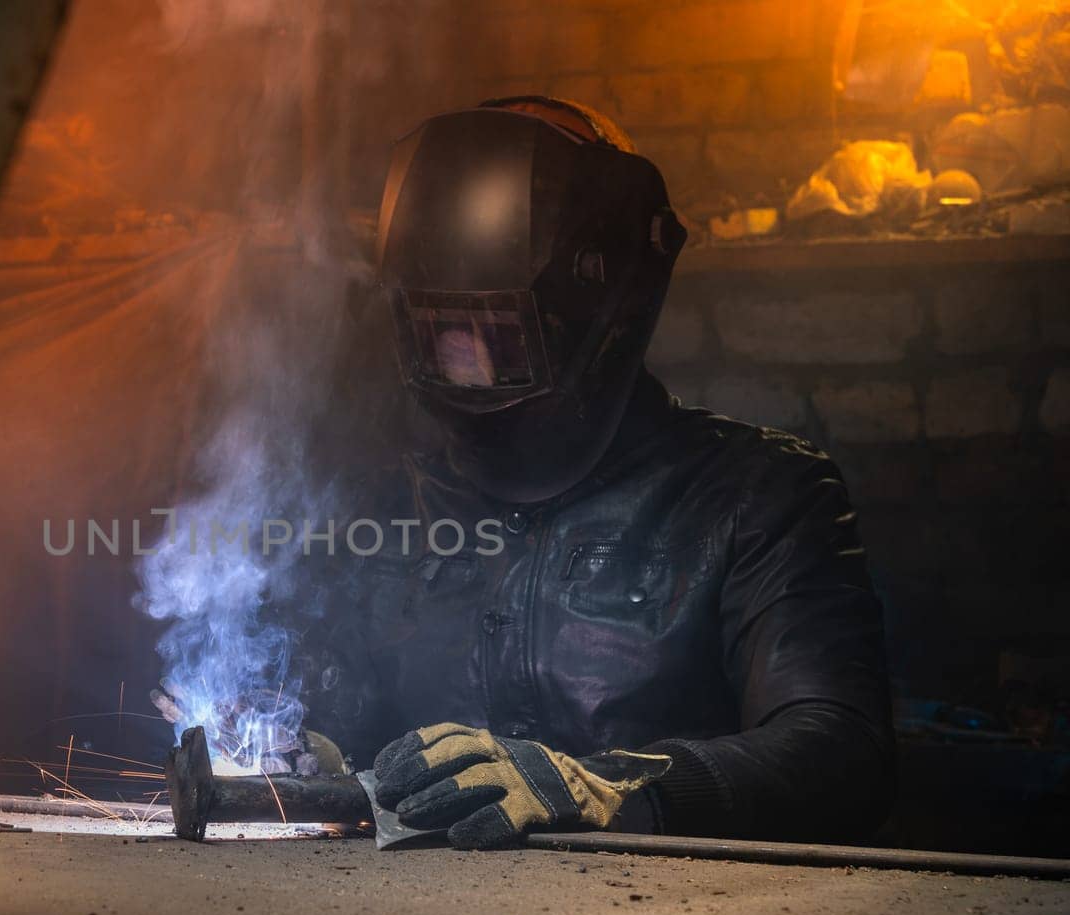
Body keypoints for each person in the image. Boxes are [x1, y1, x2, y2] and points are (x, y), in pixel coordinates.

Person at [300, 96, 895, 848]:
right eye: (438, 333)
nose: (468, 373)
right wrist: (297, 746)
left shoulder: (758, 495)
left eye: (501, 338)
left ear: (599, 309)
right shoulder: (385, 505)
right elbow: (336, 721)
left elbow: (843, 752)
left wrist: (619, 785)